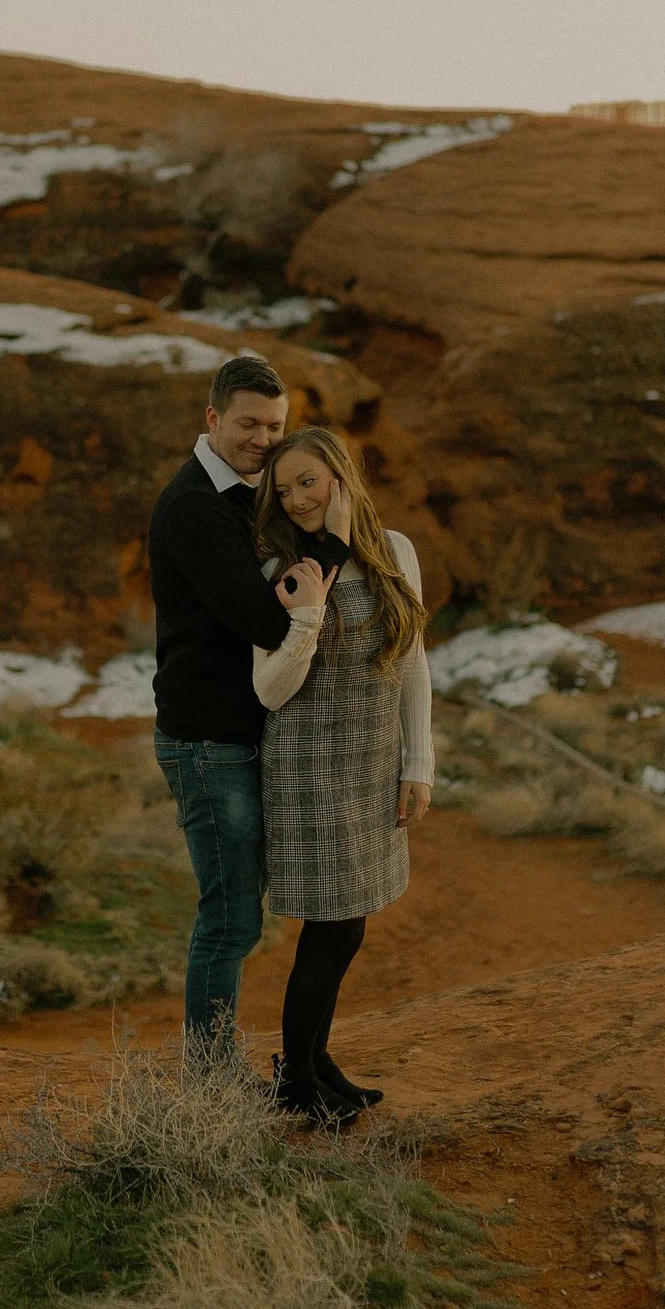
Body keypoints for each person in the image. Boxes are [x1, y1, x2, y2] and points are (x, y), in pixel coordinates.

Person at [247, 425, 432, 1124]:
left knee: (346, 924)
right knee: (336, 927)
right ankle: (298, 1081)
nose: (295, 499)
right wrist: (309, 612)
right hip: (310, 765)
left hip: (371, 760)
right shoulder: (278, 566)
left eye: (308, 482)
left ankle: (315, 1062)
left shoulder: (395, 552)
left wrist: (418, 762)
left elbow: (414, 660)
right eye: (283, 487)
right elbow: (269, 688)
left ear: (341, 480)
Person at [146, 354, 292, 1064]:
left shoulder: (244, 493)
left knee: (238, 916)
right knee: (230, 918)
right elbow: (263, 620)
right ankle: (210, 1085)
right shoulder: (196, 506)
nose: (263, 438)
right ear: (213, 419)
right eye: (248, 423)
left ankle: (218, 1073)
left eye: (274, 425)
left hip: (235, 735)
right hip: (206, 741)